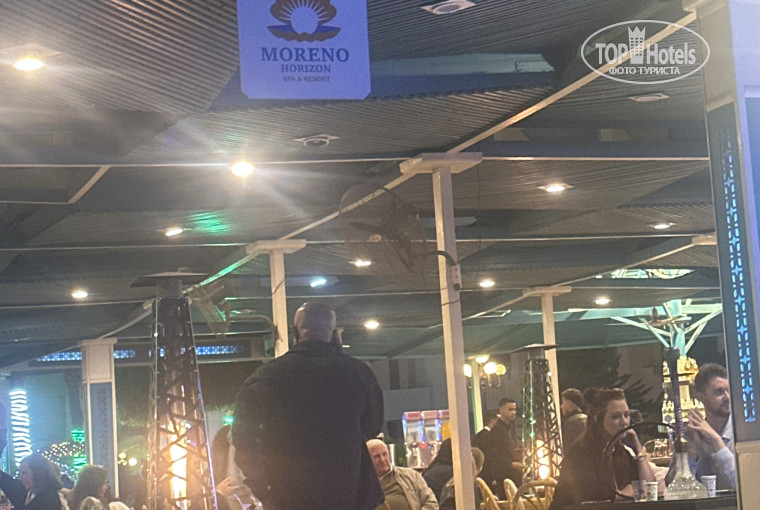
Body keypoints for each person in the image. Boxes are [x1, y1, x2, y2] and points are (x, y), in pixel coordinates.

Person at [232, 301, 385, 510]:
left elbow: (242, 437)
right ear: (335, 334)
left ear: (294, 331)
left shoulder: (267, 377)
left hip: (288, 498)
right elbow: (372, 427)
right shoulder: (359, 374)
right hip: (350, 495)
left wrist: (263, 490)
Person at [549, 388, 658, 509]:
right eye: (615, 417)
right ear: (597, 419)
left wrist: (638, 450)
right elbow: (595, 496)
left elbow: (649, 489)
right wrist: (625, 493)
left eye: (626, 415)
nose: (624, 422)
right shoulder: (581, 453)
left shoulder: (620, 452)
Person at [668, 363, 736, 490]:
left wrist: (716, 441)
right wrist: (691, 454)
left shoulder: (742, 432)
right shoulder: (692, 434)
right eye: (719, 392)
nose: (727, 397)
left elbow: (747, 481)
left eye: (728, 391)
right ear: (701, 397)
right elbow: (672, 486)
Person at [367, 439, 438, 510]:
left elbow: (431, 503)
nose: (382, 460)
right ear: (368, 460)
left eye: (384, 454)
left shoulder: (411, 475)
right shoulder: (364, 485)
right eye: (376, 456)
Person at [480, 397, 522, 499]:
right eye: (510, 409)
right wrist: (511, 464)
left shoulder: (508, 428)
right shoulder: (497, 430)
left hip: (511, 475)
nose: (513, 413)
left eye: (514, 409)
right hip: (503, 476)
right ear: (501, 410)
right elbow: (493, 455)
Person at [0, 453, 67, 510]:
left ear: (38, 473)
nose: (20, 478)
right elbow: (10, 484)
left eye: (24, 473)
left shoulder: (49, 500)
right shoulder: (29, 493)